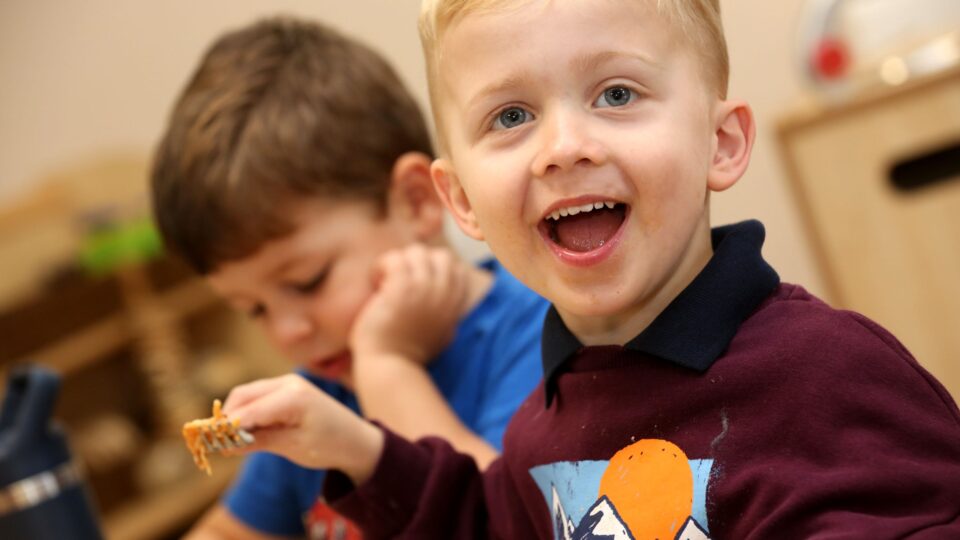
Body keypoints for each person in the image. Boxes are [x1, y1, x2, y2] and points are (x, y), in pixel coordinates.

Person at [219, 1, 960, 538]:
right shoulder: (550, 421)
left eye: (616, 94)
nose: (564, 146)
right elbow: (491, 524)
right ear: (462, 202)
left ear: (721, 143)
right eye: (510, 116)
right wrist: (347, 446)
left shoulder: (827, 375)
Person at [149, 16, 548, 539]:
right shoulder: (321, 390)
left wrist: (388, 364)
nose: (287, 332)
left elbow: (504, 519)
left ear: (415, 200)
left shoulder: (543, 331)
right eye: (254, 309)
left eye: (308, 281)